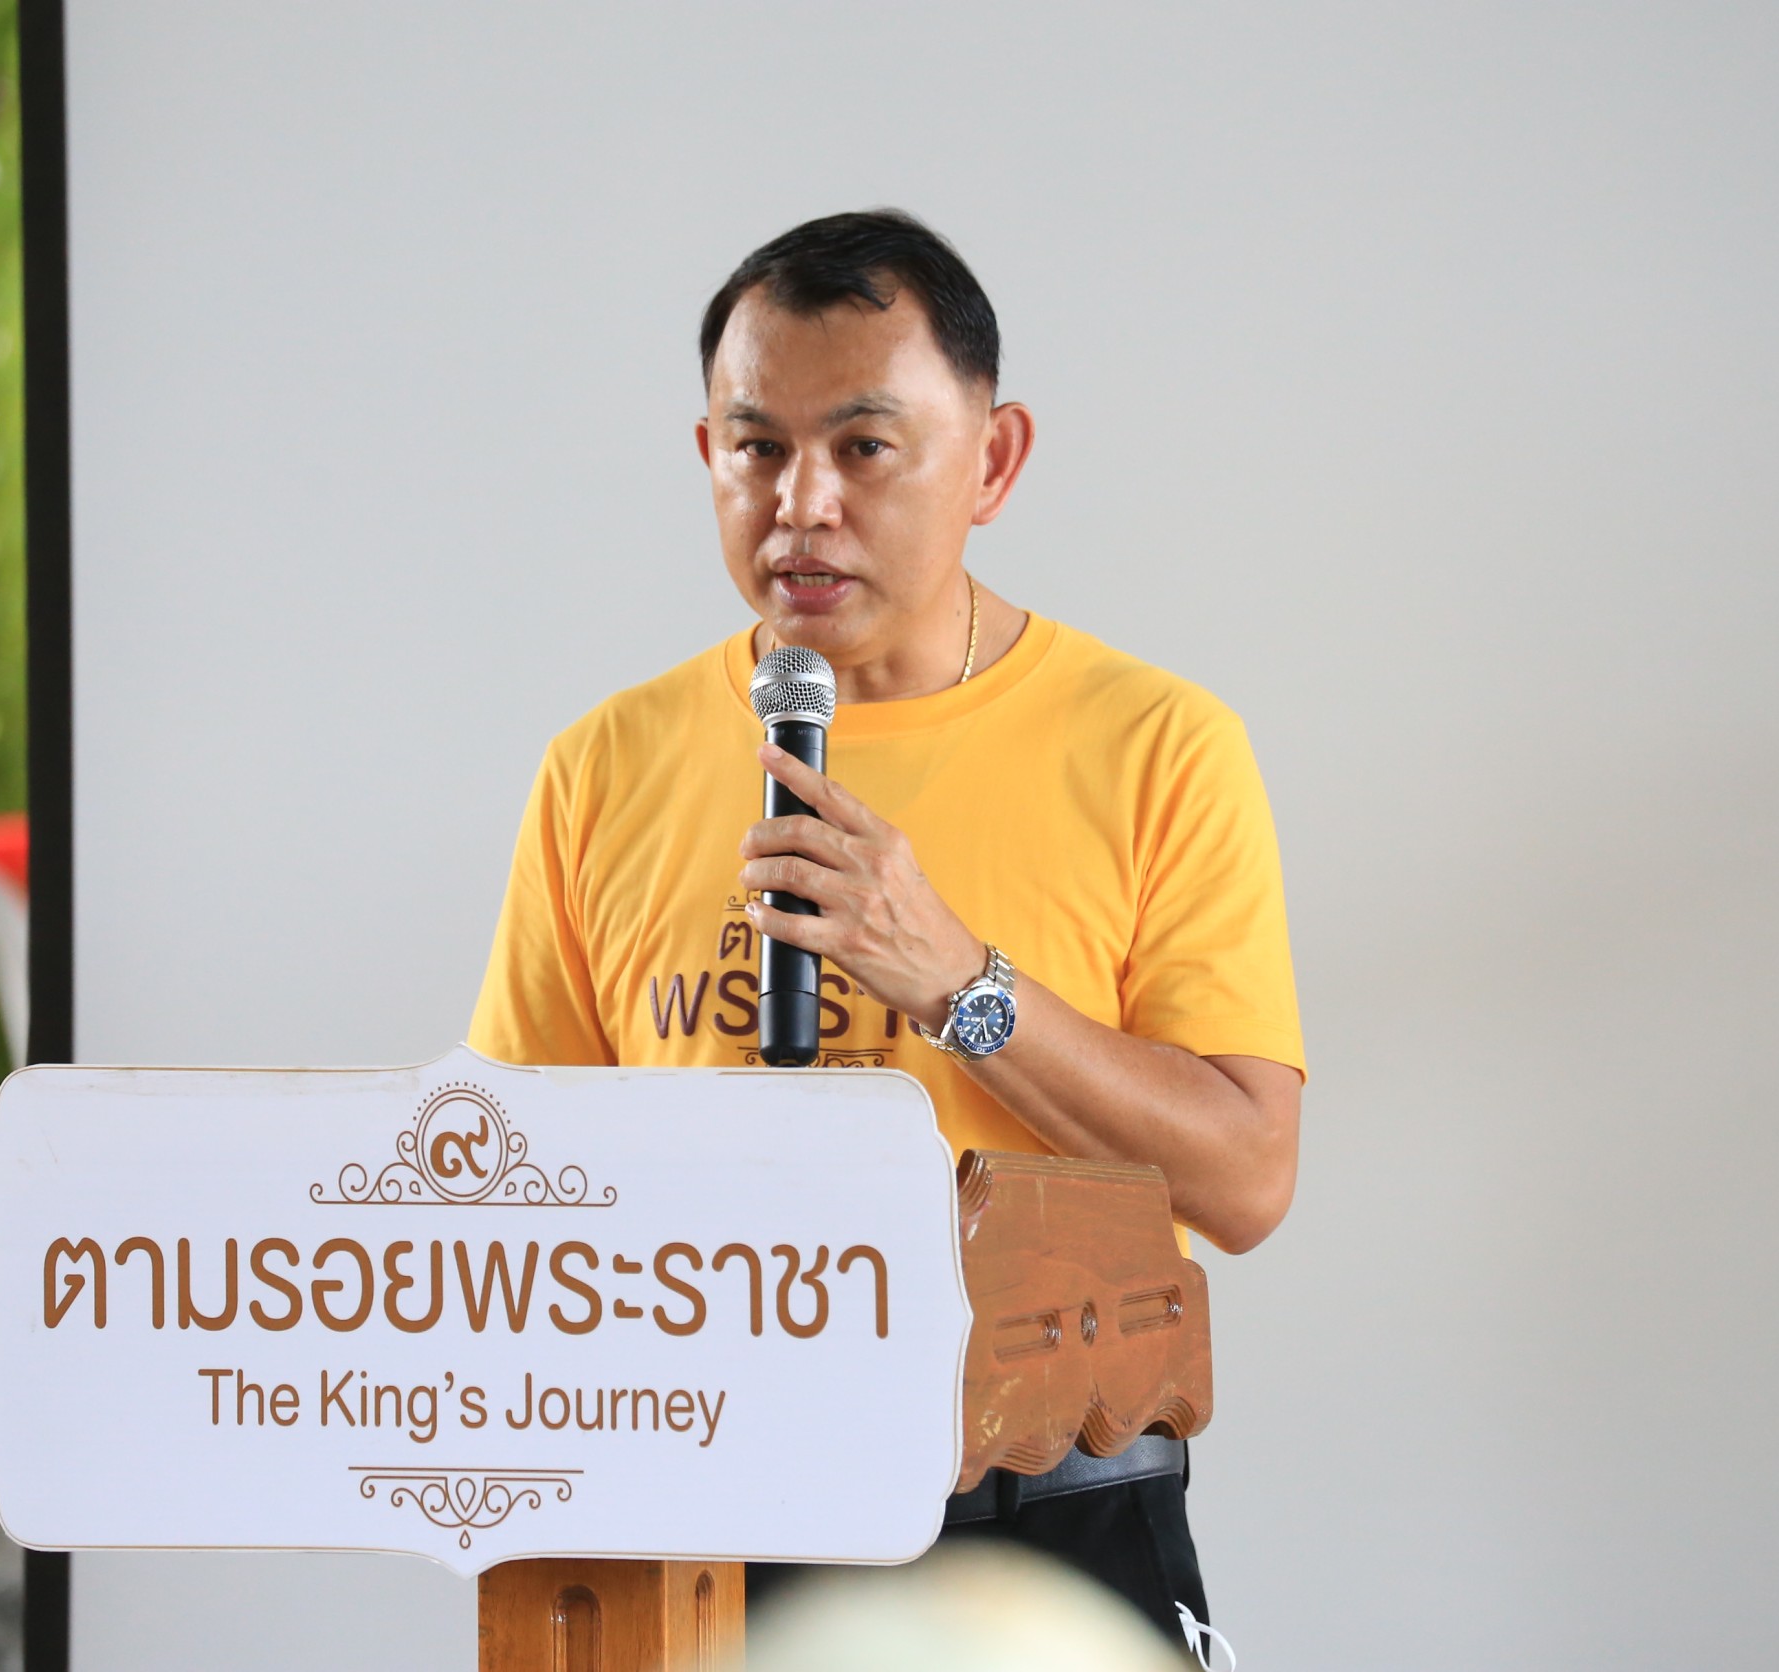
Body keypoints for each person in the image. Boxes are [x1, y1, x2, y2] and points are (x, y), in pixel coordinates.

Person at [469, 208, 1303, 1655]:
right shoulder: (601, 767)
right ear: (707, 456)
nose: (802, 503)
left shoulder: (1158, 746)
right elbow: (513, 1209)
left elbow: (1244, 1179)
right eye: (757, 448)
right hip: (700, 1529)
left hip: (1049, 1524)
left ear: (993, 461)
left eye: (863, 446)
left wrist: (960, 982)